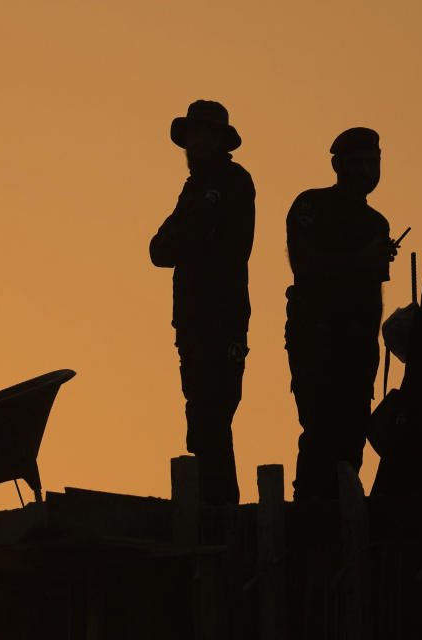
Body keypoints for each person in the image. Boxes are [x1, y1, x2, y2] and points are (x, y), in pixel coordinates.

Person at [149, 100, 255, 505]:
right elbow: (161, 248)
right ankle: (214, 510)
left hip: (222, 318)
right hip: (194, 321)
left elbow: (181, 239)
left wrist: (187, 236)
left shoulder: (231, 181)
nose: (195, 143)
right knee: (202, 417)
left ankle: (220, 513)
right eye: (192, 135)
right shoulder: (195, 188)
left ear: (218, 140)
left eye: (203, 134)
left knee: (213, 415)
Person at [285, 127, 396, 501]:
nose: (366, 171)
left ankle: (341, 514)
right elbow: (304, 265)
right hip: (316, 336)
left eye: (373, 162)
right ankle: (311, 514)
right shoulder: (311, 206)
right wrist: (359, 261)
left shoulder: (377, 223)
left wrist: (372, 343)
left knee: (352, 434)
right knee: (319, 429)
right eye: (357, 163)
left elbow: (373, 291)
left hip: (358, 343)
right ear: (337, 166)